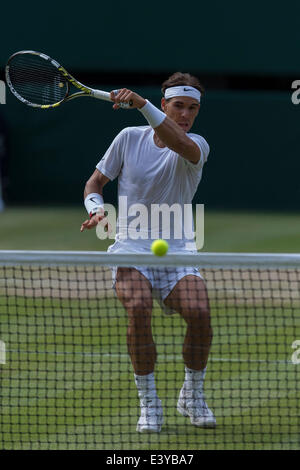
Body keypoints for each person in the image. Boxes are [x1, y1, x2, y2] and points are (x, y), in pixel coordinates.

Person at [80, 72, 216, 433]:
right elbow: (95, 182)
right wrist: (95, 207)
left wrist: (141, 105)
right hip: (130, 246)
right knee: (138, 308)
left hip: (179, 249)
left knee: (200, 313)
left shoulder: (197, 146)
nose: (185, 114)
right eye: (178, 106)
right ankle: (150, 404)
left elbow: (179, 144)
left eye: (192, 108)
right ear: (165, 104)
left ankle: (192, 395)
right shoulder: (128, 138)